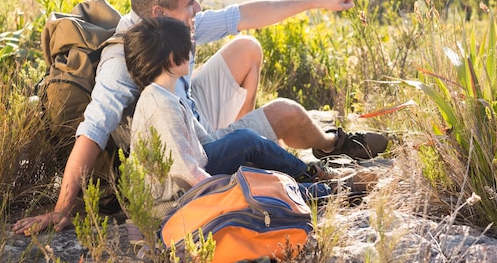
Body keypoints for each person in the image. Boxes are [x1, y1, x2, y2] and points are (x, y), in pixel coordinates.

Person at [13, 0, 387, 236]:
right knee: (254, 139)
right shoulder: (121, 62)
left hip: (188, 121)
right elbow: (92, 132)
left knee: (247, 48)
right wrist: (61, 210)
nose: (198, 10)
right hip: (169, 149)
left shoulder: (172, 29)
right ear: (160, 12)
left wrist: (318, 2)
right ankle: (319, 184)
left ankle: (330, 145)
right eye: (190, 3)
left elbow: (241, 16)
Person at [124, 16, 342, 216]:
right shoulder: (160, 105)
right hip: (173, 201)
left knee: (245, 141)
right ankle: (316, 187)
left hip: (189, 180)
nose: (191, 54)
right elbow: (186, 172)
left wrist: (239, 158)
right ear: (173, 60)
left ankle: (307, 176)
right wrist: (229, 191)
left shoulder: (166, 95)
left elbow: (206, 143)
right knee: (250, 163)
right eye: (187, 48)